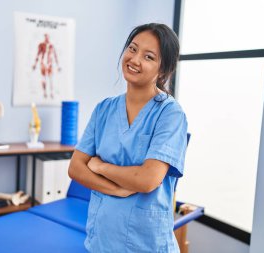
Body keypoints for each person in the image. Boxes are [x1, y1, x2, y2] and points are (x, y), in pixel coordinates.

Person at [68, 23, 188, 252]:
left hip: (146, 243)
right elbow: (75, 168)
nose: (135, 59)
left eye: (149, 56)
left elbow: (147, 180)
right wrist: (117, 189)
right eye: (132, 49)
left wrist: (100, 166)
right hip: (101, 241)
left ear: (163, 70)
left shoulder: (170, 113)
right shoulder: (104, 109)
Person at [32, 33, 61, 99]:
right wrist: (35, 64)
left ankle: (51, 92)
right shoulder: (41, 45)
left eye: (48, 37)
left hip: (49, 63)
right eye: (45, 37)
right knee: (44, 79)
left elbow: (55, 56)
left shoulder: (51, 46)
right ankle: (44, 92)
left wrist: (58, 66)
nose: (47, 38)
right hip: (43, 63)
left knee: (51, 79)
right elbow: (38, 54)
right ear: (44, 38)